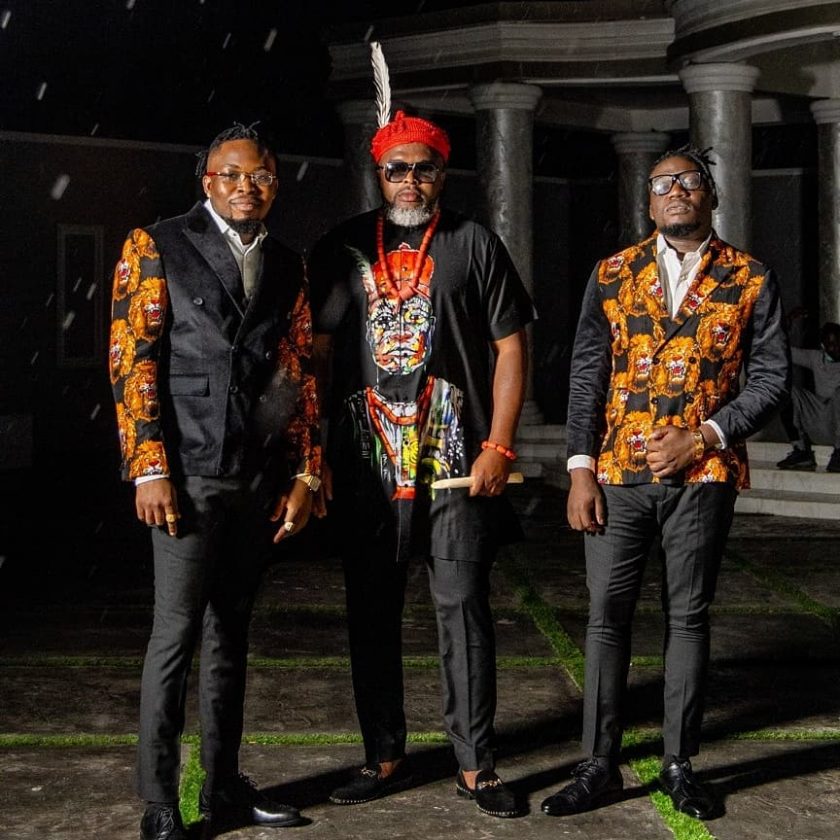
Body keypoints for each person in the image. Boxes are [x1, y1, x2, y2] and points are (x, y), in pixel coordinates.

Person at [541, 146, 789, 821]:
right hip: (616, 475)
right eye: (661, 184)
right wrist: (579, 469)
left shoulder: (751, 277)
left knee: (688, 617)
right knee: (605, 617)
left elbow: (771, 380)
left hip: (704, 474)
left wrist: (703, 436)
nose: (675, 191)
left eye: (689, 181)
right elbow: (588, 373)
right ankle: (597, 764)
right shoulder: (613, 273)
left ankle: (680, 764)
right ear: (648, 202)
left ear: (711, 195)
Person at [307, 108, 535, 819]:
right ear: (380, 175)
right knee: (371, 611)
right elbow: (316, 358)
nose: (410, 180)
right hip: (366, 464)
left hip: (455, 460)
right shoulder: (342, 246)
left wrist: (498, 443)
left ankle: (475, 765)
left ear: (443, 172)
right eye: (396, 169)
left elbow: (510, 348)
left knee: (463, 608)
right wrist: (314, 454)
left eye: (424, 168)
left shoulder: (475, 243)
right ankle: (383, 754)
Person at [109, 123, 321, 840]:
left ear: (274, 185)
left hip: (254, 474)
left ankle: (223, 786)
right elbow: (132, 361)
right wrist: (149, 467)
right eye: (231, 175)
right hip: (186, 470)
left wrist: (305, 471)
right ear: (208, 182)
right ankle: (159, 803)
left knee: (232, 634)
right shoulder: (156, 244)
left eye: (258, 176)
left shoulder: (287, 262)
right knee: (175, 636)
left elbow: (296, 373)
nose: (245, 187)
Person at [776, 317, 840, 472]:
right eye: (831, 344)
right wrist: (784, 327)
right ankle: (801, 450)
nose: (837, 348)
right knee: (785, 391)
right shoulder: (816, 358)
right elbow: (784, 351)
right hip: (819, 421)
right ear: (823, 346)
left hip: (837, 422)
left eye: (839, 343)